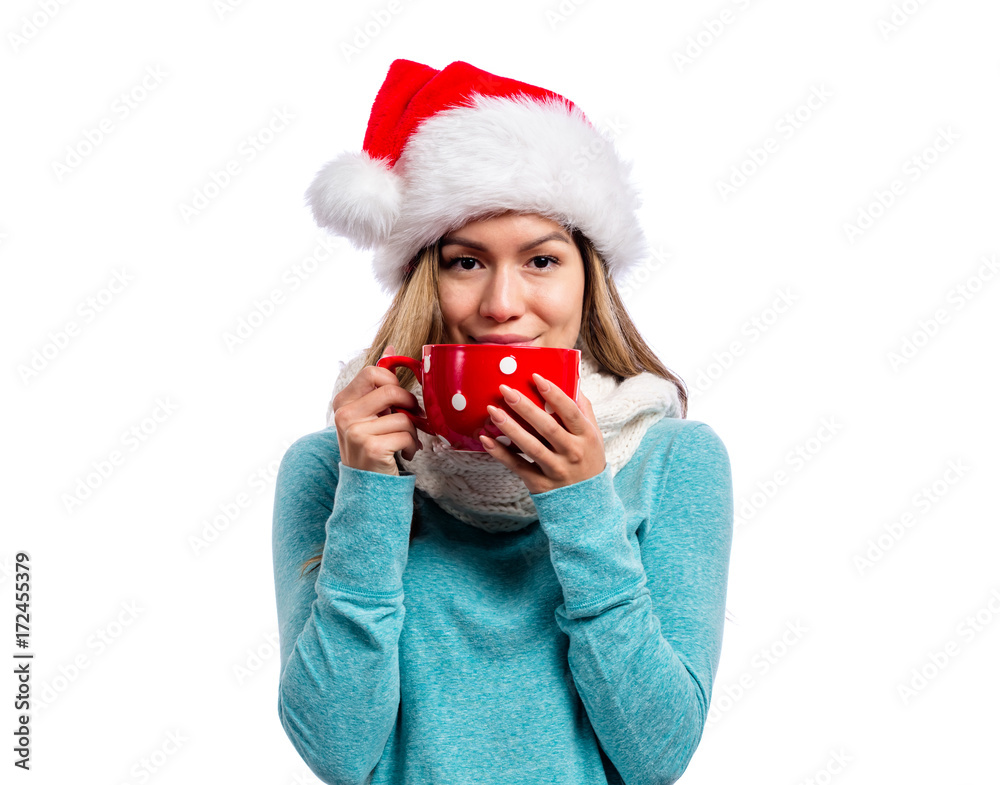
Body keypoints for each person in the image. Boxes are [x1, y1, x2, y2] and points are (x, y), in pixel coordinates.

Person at [272, 58, 734, 785]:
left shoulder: (671, 459)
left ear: (588, 279)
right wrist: (369, 494)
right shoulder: (332, 468)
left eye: (542, 260)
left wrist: (581, 501)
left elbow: (657, 755)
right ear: (429, 279)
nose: (501, 303)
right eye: (466, 262)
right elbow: (336, 749)